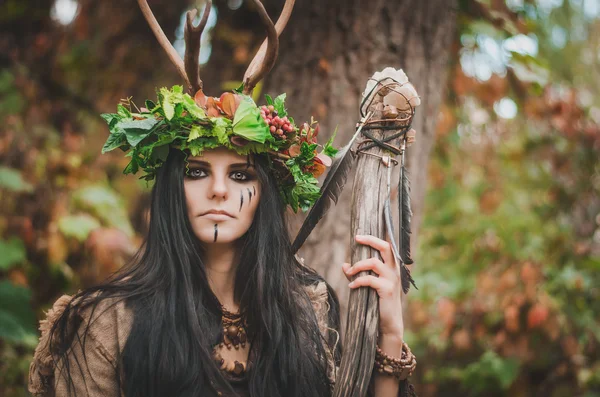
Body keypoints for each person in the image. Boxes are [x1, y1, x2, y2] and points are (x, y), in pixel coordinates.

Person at [28, 1, 417, 395]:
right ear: (170, 190)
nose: (218, 189)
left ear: (265, 192)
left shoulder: (305, 311)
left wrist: (388, 332)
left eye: (240, 174)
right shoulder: (106, 322)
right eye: (196, 172)